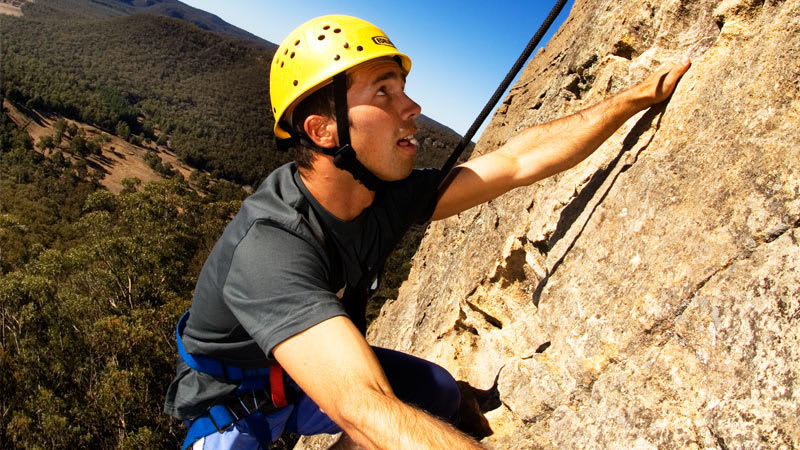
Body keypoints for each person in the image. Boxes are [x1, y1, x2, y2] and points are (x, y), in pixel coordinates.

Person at [164, 14, 691, 450]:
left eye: (404, 89)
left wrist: (630, 101)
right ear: (324, 131)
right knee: (380, 420)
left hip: (305, 381)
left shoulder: (386, 196)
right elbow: (364, 408)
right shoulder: (270, 246)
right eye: (384, 92)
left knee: (434, 393)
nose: (412, 108)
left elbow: (516, 161)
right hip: (232, 408)